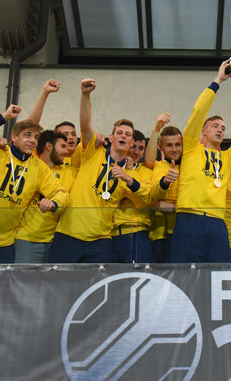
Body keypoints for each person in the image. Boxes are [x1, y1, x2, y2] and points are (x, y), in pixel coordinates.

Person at [0, 105, 69, 264]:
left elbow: (61, 192)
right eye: (27, 135)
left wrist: (54, 202)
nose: (32, 140)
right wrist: (4, 117)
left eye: (36, 137)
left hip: (4, 245)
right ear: (14, 137)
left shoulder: (39, 168)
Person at [50, 78, 148, 263]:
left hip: (101, 240)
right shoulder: (94, 151)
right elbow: (85, 125)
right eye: (119, 133)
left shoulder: (131, 175)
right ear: (111, 137)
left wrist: (128, 179)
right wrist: (85, 95)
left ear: (131, 143)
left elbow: (146, 198)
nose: (123, 136)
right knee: (60, 280)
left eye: (128, 135)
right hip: (68, 233)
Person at [169, 60, 231, 263]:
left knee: (219, 274)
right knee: (185, 274)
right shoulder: (191, 147)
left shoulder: (228, 157)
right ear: (203, 131)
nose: (220, 129)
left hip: (217, 222)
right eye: (215, 125)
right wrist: (218, 81)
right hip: (189, 218)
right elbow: (198, 112)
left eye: (223, 128)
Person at [12, 130, 74, 263]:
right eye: (63, 146)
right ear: (49, 146)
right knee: (23, 276)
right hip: (28, 240)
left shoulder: (71, 172)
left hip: (57, 241)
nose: (66, 151)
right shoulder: (28, 167)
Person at [110, 129, 158, 263]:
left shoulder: (146, 171)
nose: (136, 152)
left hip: (137, 231)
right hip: (108, 233)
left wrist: (129, 173)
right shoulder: (110, 166)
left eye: (141, 148)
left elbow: (146, 199)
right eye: (133, 147)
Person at [147, 115, 181, 263]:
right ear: (160, 147)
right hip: (160, 235)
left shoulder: (189, 165)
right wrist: (165, 182)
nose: (174, 149)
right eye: (169, 145)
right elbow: (154, 199)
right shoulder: (159, 167)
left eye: (178, 144)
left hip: (185, 231)